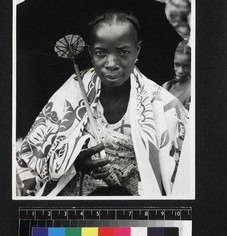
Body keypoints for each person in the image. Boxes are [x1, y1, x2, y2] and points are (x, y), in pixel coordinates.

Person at [16, 10, 189, 197]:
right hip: (75, 210)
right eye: (101, 53)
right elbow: (34, 154)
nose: (112, 63)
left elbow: (182, 175)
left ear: (137, 50)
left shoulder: (163, 107)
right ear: (90, 51)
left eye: (123, 52)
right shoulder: (75, 89)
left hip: (135, 214)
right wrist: (73, 162)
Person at [162, 43, 191, 110]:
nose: (181, 71)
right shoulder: (166, 84)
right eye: (177, 65)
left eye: (186, 66)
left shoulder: (190, 91)